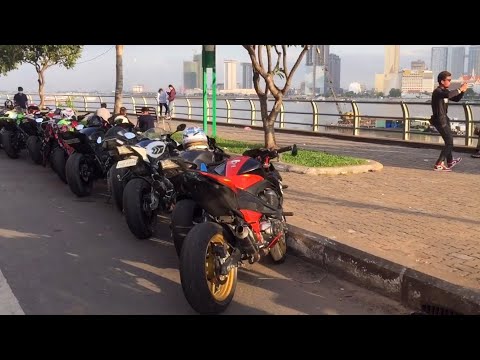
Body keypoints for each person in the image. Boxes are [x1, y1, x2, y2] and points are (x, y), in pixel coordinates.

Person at [430, 71, 468, 172]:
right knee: (450, 142)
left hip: (444, 119)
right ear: (442, 81)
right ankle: (439, 164)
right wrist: (460, 89)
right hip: (440, 120)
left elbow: (455, 99)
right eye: (449, 80)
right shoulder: (438, 92)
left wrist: (463, 91)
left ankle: (450, 161)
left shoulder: (444, 92)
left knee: (448, 141)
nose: (450, 82)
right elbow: (450, 94)